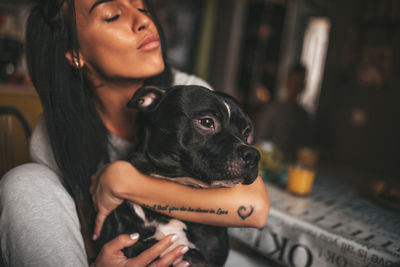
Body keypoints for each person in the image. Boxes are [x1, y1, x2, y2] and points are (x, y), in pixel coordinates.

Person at [0, 0, 269, 266]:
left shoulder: (191, 94)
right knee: (24, 180)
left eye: (141, 8)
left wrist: (125, 182)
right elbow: (73, 234)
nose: (144, 21)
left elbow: (254, 209)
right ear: (76, 54)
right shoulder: (56, 134)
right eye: (113, 15)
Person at [256, 63, 314, 162]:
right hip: (270, 163)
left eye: (299, 84)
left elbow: (306, 148)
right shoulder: (272, 109)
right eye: (293, 83)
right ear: (286, 82)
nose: (295, 87)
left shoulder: (304, 116)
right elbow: (260, 141)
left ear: (303, 87)